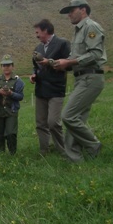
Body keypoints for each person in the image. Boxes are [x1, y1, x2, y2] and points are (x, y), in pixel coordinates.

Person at [54, 0, 107, 162]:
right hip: (81, 77)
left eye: (71, 10)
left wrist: (68, 62)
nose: (69, 14)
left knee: (68, 116)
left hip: (90, 78)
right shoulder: (78, 30)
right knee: (76, 119)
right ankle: (74, 158)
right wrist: (61, 64)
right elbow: (76, 58)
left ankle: (93, 145)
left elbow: (95, 54)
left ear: (83, 9)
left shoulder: (91, 27)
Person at [29, 19, 71, 156]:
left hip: (56, 89)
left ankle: (63, 150)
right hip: (40, 90)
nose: (36, 35)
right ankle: (44, 151)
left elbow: (69, 65)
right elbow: (36, 68)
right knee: (41, 123)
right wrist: (33, 75)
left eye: (37, 32)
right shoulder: (38, 48)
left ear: (45, 30)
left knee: (53, 122)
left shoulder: (62, 44)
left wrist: (50, 62)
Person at [0, 55, 25, 155]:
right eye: (4, 65)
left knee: (11, 132)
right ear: (1, 67)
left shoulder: (18, 81)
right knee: (0, 134)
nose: (6, 67)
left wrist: (11, 93)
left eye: (8, 65)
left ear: (12, 66)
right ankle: (1, 152)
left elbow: (20, 96)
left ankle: (12, 153)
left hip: (12, 111)